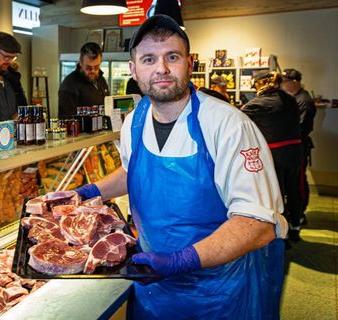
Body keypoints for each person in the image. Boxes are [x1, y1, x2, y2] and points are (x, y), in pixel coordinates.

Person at [76, 15, 287, 319]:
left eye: (171, 56)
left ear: (189, 63)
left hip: (220, 293)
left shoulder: (228, 125)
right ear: (134, 70)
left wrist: (180, 261)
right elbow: (134, 171)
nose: (161, 68)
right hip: (155, 289)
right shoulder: (135, 120)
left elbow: (257, 224)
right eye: (149, 59)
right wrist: (88, 191)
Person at [241, 70, 303, 242]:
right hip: (296, 152)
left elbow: (237, 120)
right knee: (294, 190)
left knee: (277, 193)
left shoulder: (255, 104)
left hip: (275, 154)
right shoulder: (290, 98)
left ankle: (280, 234)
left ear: (260, 84)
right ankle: (295, 227)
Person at [281, 68, 316, 223]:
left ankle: (300, 214)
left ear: (294, 82)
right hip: (294, 146)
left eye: (285, 82)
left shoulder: (304, 100)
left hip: (299, 146)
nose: (283, 85)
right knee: (296, 181)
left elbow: (300, 127)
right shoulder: (295, 98)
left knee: (298, 182)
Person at [58, 42, 109, 118]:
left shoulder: (101, 80)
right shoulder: (69, 85)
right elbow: (66, 119)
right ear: (80, 63)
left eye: (96, 67)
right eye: (88, 68)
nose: (93, 71)